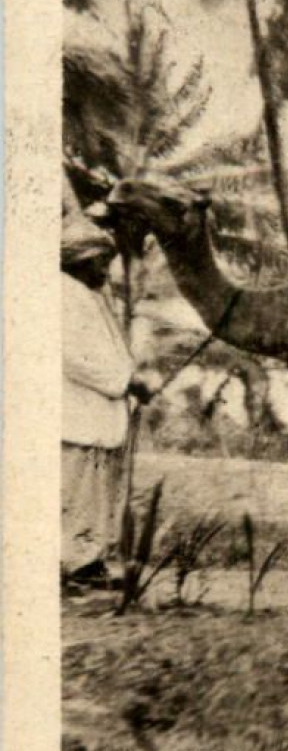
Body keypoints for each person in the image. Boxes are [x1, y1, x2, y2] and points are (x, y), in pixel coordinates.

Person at [60, 186, 154, 589]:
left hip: (100, 417)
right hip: (78, 415)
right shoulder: (64, 295)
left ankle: (91, 564)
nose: (105, 271)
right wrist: (126, 381)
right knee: (77, 495)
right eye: (100, 263)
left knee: (97, 497)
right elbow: (71, 357)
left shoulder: (90, 296)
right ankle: (72, 568)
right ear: (81, 261)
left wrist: (131, 381)